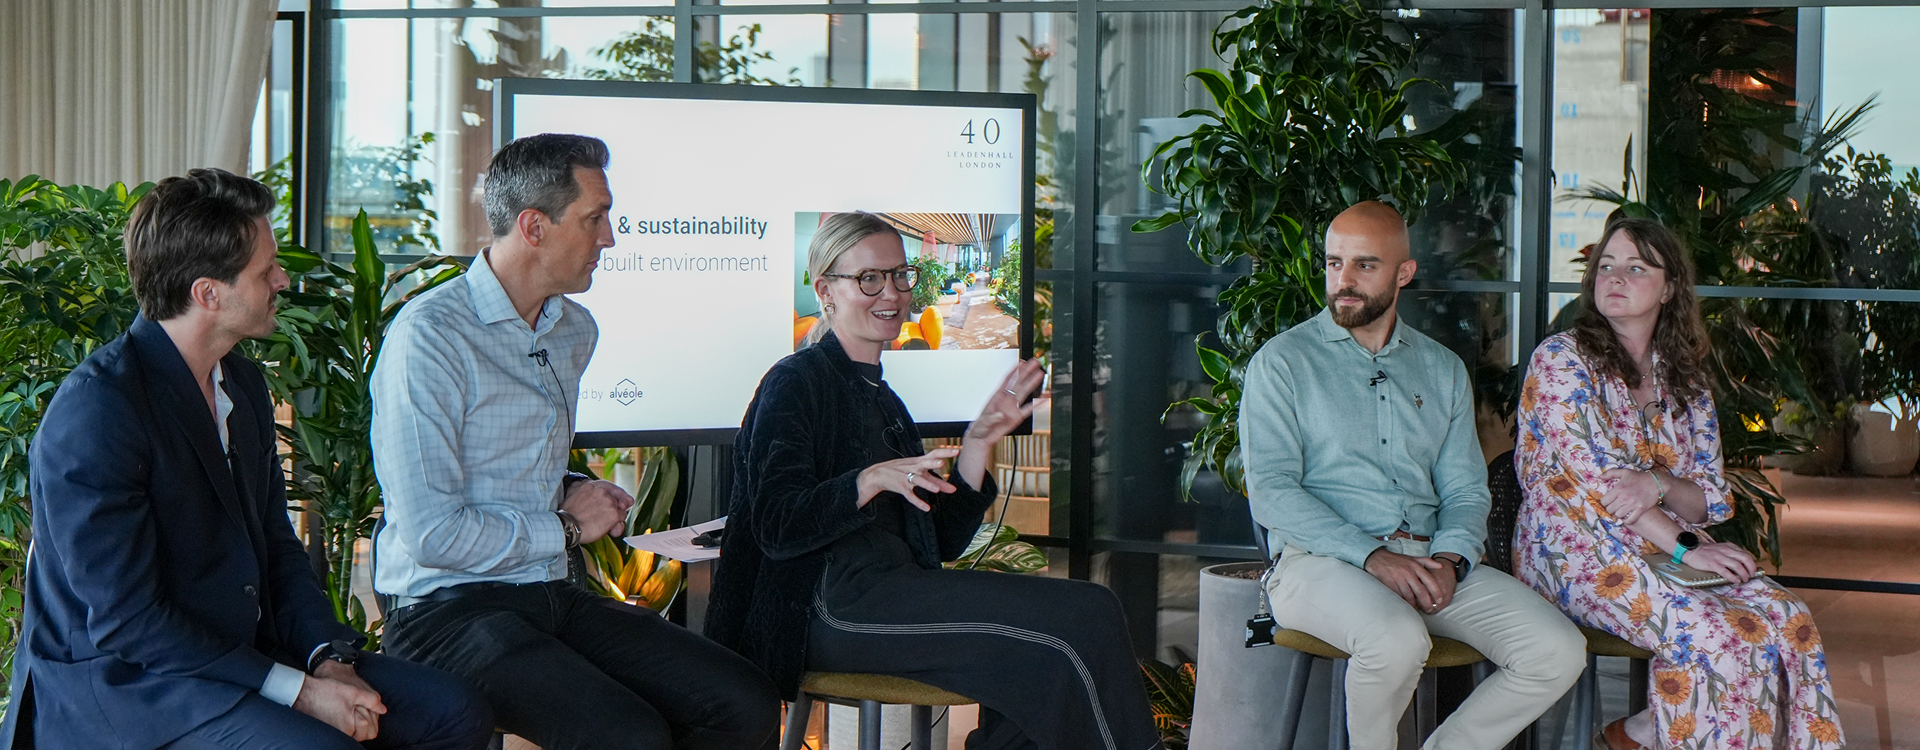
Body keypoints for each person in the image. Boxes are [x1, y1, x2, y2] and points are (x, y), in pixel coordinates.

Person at [1, 168, 493, 750]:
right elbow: (128, 623)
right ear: (207, 293)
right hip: (128, 686)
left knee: (454, 712)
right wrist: (301, 692)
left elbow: (276, 545)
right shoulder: (99, 412)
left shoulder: (242, 381)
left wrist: (327, 659)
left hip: (237, 654)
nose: (283, 279)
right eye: (267, 270)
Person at [370, 134, 779, 750]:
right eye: (595, 218)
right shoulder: (430, 335)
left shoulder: (572, 329)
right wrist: (564, 527)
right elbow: (432, 534)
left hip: (551, 593)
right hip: (443, 612)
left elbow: (509, 466)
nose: (610, 238)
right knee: (627, 735)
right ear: (534, 226)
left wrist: (573, 488)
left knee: (742, 699)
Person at [705, 211, 1162, 750]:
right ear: (826, 290)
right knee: (1077, 623)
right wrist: (866, 480)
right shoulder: (795, 381)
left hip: (893, 590)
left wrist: (978, 444)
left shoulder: (885, 400)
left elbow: (940, 540)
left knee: (1076, 624)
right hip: (826, 607)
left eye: (901, 275)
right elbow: (775, 525)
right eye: (869, 278)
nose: (892, 293)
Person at [1241, 201, 1586, 750]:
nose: (1343, 281)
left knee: (1557, 650)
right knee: (1395, 638)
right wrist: (1374, 558)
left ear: (1404, 273)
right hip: (1319, 565)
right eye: (1334, 263)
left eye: (1364, 265)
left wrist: (1451, 558)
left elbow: (1465, 489)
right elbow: (1273, 492)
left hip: (1428, 559)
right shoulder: (1282, 363)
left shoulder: (1441, 368)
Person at [1515, 218, 1842, 750]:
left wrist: (1659, 484)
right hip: (1577, 552)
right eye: (1606, 266)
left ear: (1669, 288)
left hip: (1665, 549)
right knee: (1716, 637)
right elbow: (1607, 489)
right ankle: (1647, 735)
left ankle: (1641, 733)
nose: (1615, 278)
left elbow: (1710, 496)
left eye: (1637, 267)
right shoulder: (1562, 360)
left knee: (1787, 619)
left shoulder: (1682, 377)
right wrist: (1687, 547)